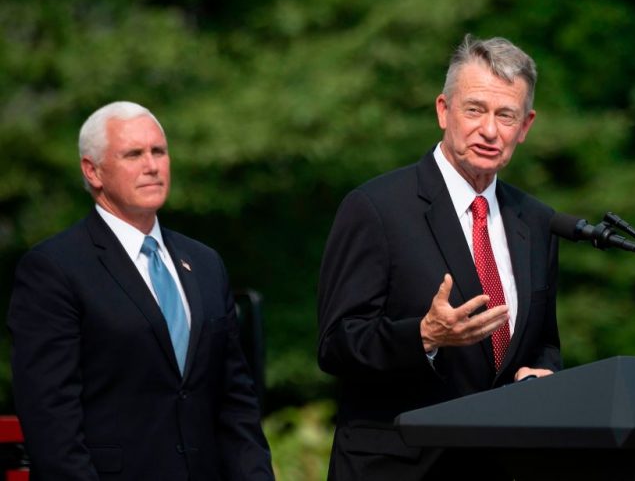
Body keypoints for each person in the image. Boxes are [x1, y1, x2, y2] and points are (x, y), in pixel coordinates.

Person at [317, 35, 562, 480]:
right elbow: (337, 345)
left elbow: (544, 341)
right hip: (399, 468)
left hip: (502, 466)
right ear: (443, 111)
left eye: (505, 115)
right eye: (474, 110)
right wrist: (424, 336)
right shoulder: (377, 207)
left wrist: (541, 374)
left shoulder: (536, 221)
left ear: (525, 127)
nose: (489, 130)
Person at [8, 102, 275, 480]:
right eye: (133, 154)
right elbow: (51, 419)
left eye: (159, 152)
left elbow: (235, 402)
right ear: (93, 171)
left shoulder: (204, 263)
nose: (151, 166)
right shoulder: (54, 268)